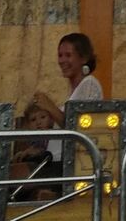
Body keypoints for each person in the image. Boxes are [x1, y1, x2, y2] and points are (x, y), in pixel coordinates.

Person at [23, 33, 103, 178]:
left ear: (83, 58)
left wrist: (50, 107)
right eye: (60, 55)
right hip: (53, 161)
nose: (62, 60)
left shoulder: (89, 84)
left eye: (68, 55)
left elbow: (79, 131)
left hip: (70, 167)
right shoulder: (76, 90)